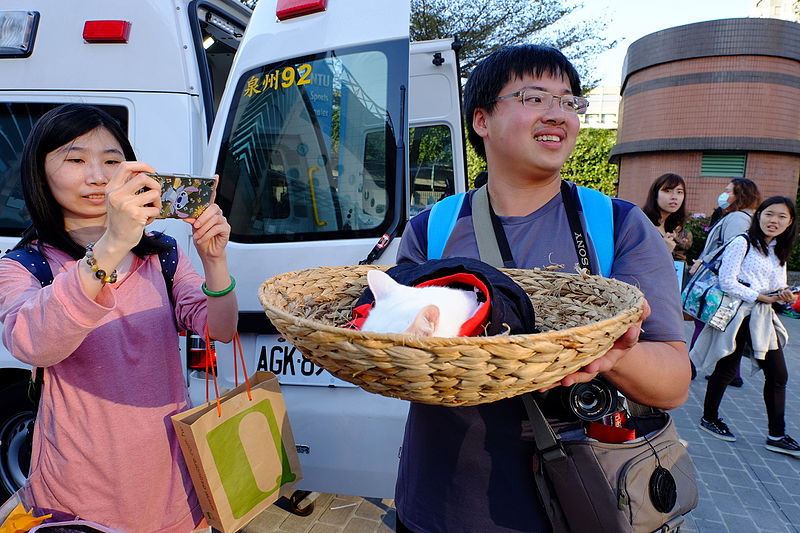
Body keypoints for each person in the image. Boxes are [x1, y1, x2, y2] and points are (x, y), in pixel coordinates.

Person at [392, 44, 691, 533]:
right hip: (439, 502)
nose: (559, 113)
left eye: (570, 101)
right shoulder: (433, 228)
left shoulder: (616, 225)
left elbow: (674, 381)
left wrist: (610, 353)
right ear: (482, 120)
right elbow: (396, 348)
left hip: (577, 502)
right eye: (534, 97)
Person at [0, 104, 238, 532]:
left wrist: (215, 261)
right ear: (40, 172)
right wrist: (111, 242)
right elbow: (33, 343)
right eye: (75, 160)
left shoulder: (161, 253)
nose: (98, 176)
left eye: (112, 161)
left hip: (173, 479)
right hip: (79, 493)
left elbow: (219, 329)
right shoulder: (24, 266)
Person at [691, 196, 800, 457]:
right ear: (759, 215)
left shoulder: (778, 250)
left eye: (782, 217)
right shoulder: (742, 242)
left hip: (762, 317)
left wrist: (784, 294)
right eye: (769, 214)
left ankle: (776, 434)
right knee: (726, 368)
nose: (774, 221)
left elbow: (776, 285)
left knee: (778, 374)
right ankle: (709, 417)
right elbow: (727, 281)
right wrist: (762, 296)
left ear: (790, 222)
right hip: (736, 313)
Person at [689, 178, 761, 383]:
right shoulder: (747, 217)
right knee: (723, 326)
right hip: (729, 284)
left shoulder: (738, 218)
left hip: (720, 283)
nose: (724, 195)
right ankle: (732, 374)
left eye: (728, 191)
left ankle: (691, 366)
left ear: (740, 196)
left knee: (703, 321)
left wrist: (703, 261)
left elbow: (730, 251)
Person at [641, 173, 693, 287]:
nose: (674, 196)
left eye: (679, 192)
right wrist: (662, 249)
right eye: (668, 191)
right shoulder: (642, 224)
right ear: (655, 194)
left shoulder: (673, 228)